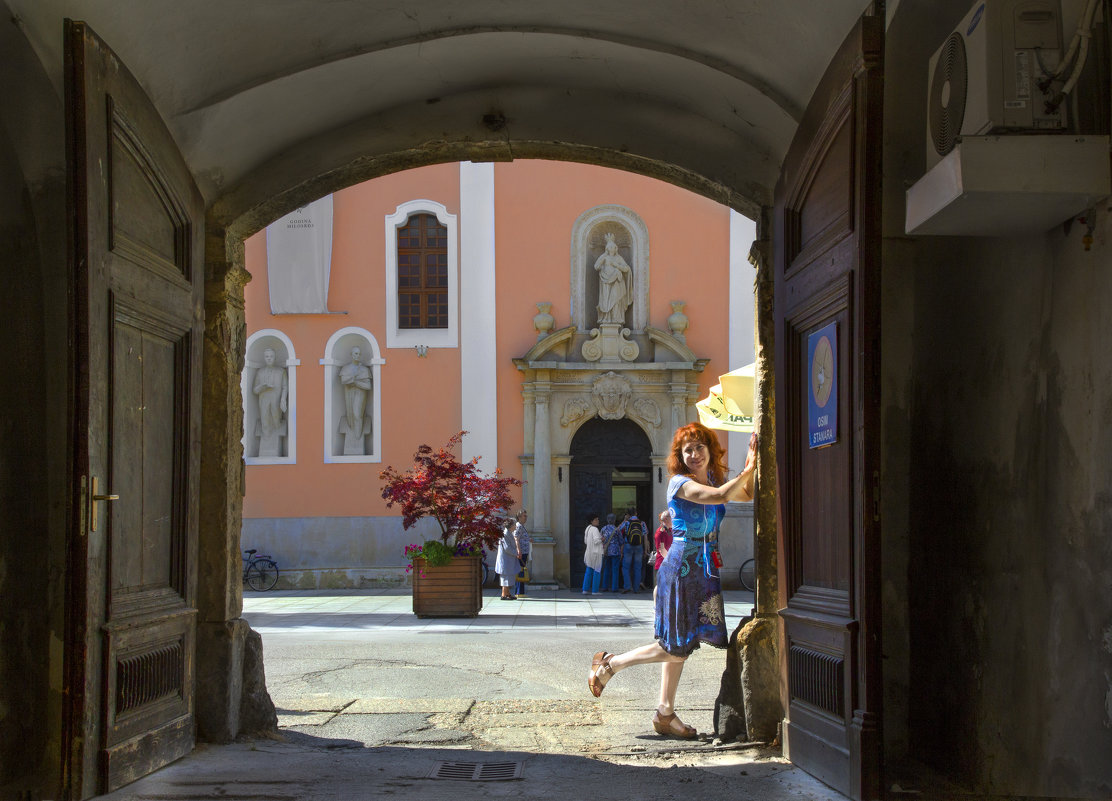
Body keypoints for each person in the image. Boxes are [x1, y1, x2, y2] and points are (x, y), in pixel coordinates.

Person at [586, 423, 757, 739]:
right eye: (687, 450)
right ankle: (611, 664)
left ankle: (665, 712)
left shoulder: (716, 478)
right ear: (680, 456)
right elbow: (720, 495)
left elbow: (744, 493)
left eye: (699, 447)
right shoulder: (680, 483)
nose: (694, 454)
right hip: (679, 570)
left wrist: (751, 465)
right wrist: (748, 466)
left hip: (704, 570)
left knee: (680, 645)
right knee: (676, 647)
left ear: (710, 449)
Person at [253, 347, 288, 457]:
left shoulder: (281, 371)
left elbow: (285, 387)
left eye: (271, 356)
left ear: (275, 357)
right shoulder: (260, 372)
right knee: (265, 422)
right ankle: (266, 450)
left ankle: (274, 448)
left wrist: (283, 399)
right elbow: (255, 390)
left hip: (276, 401)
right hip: (264, 401)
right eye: (267, 356)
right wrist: (262, 387)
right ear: (264, 358)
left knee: (276, 420)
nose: (269, 358)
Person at [593, 232, 633, 324]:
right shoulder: (604, 257)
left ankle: (616, 319)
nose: (612, 249)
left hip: (617, 282)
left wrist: (617, 266)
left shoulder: (619, 258)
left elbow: (626, 269)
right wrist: (603, 258)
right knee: (606, 300)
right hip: (605, 282)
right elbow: (596, 266)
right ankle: (607, 318)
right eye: (610, 247)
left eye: (614, 247)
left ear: (616, 249)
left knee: (616, 299)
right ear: (607, 248)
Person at [619, 508, 647, 593]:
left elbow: (618, 530)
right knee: (638, 568)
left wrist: (624, 520)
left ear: (628, 514)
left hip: (628, 546)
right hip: (639, 546)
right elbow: (645, 537)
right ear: (636, 513)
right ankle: (636, 588)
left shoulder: (627, 523)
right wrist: (645, 550)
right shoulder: (642, 523)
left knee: (626, 567)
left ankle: (627, 586)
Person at [495, 514, 522, 600]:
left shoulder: (508, 533)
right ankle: (504, 594)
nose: (515, 526)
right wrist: (516, 553)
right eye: (514, 525)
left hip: (508, 559)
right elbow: (507, 548)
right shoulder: (505, 534)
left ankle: (507, 594)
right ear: (511, 525)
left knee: (508, 577)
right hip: (506, 559)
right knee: (506, 577)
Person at [581, 514, 604, 595]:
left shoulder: (588, 529)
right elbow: (597, 541)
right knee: (597, 571)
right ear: (591, 521)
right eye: (596, 519)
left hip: (589, 552)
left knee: (589, 571)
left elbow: (585, 541)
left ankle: (585, 589)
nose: (598, 521)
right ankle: (595, 590)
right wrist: (602, 539)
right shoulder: (595, 529)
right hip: (596, 553)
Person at [511, 509, 531, 597]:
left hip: (524, 552)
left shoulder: (521, 526)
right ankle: (519, 592)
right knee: (520, 571)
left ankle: (520, 591)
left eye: (526, 516)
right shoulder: (518, 526)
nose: (526, 518)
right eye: (524, 516)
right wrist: (519, 551)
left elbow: (521, 537)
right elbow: (516, 538)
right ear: (519, 517)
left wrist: (528, 539)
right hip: (521, 552)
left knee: (521, 570)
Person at [653, 509, 673, 593]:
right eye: (671, 517)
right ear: (665, 519)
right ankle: (656, 605)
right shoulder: (660, 532)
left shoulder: (670, 530)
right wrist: (670, 560)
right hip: (662, 563)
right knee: (660, 585)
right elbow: (661, 549)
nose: (673, 519)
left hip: (669, 562)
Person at [601, 513, 622, 592]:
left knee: (606, 569)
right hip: (616, 552)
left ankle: (605, 587)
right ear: (614, 520)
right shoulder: (617, 530)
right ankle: (614, 588)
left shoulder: (603, 529)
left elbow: (601, 539)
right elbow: (621, 541)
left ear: (607, 520)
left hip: (606, 552)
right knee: (615, 570)